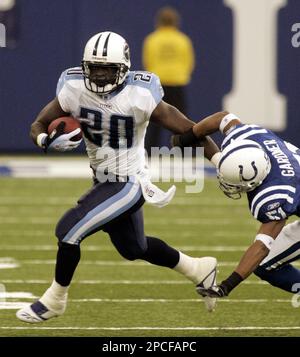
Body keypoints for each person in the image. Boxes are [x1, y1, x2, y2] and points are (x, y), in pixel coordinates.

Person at [16, 31, 220, 323]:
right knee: (134, 248)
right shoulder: (73, 86)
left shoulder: (140, 94)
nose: (99, 76)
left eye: (107, 69)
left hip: (128, 183)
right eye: (94, 68)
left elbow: (191, 130)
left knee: (69, 229)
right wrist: (45, 141)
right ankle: (199, 268)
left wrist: (219, 160)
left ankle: (55, 299)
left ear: (123, 68)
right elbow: (39, 123)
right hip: (102, 179)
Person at [172, 111, 300, 299]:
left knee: (265, 264)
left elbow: (262, 246)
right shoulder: (249, 136)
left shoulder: (275, 195)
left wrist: (227, 286)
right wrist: (189, 136)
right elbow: (222, 118)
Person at [142, 6, 195, 152]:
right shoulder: (183, 40)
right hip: (178, 82)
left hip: (158, 84)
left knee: (154, 121)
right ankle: (185, 152)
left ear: (158, 22)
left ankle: (149, 152)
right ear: (176, 22)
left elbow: (148, 62)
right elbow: (189, 62)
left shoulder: (152, 39)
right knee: (181, 121)